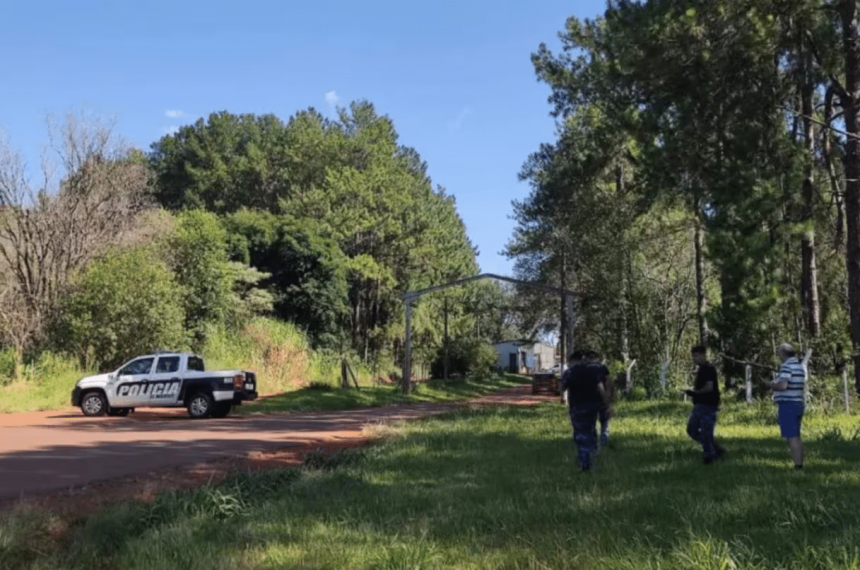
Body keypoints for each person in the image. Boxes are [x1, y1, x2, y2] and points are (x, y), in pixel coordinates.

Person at [563, 350, 611, 471]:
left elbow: (562, 388)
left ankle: (585, 462)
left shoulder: (569, 372)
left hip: (576, 407)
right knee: (590, 430)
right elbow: (601, 387)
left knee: (580, 434)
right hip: (592, 406)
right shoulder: (592, 370)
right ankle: (591, 455)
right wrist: (607, 403)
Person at [684, 345, 726, 464]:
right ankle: (716, 449)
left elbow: (709, 387)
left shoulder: (708, 369)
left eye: (696, 356)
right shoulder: (701, 369)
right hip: (699, 405)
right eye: (693, 356)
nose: (694, 359)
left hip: (708, 405)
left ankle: (709, 456)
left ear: (703, 355)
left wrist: (694, 393)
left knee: (706, 431)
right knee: (692, 430)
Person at [769, 343, 806, 469]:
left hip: (788, 405)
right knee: (796, 435)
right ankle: (800, 463)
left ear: (783, 353)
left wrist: (772, 385)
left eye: (779, 352)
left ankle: (798, 466)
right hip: (798, 403)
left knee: (792, 437)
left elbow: (783, 386)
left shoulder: (786, 367)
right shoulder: (799, 367)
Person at [585, 351, 614, 447]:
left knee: (591, 423)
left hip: (588, 400)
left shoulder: (584, 369)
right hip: (601, 399)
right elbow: (608, 383)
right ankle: (604, 440)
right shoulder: (602, 368)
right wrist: (608, 398)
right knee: (604, 422)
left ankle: (593, 442)